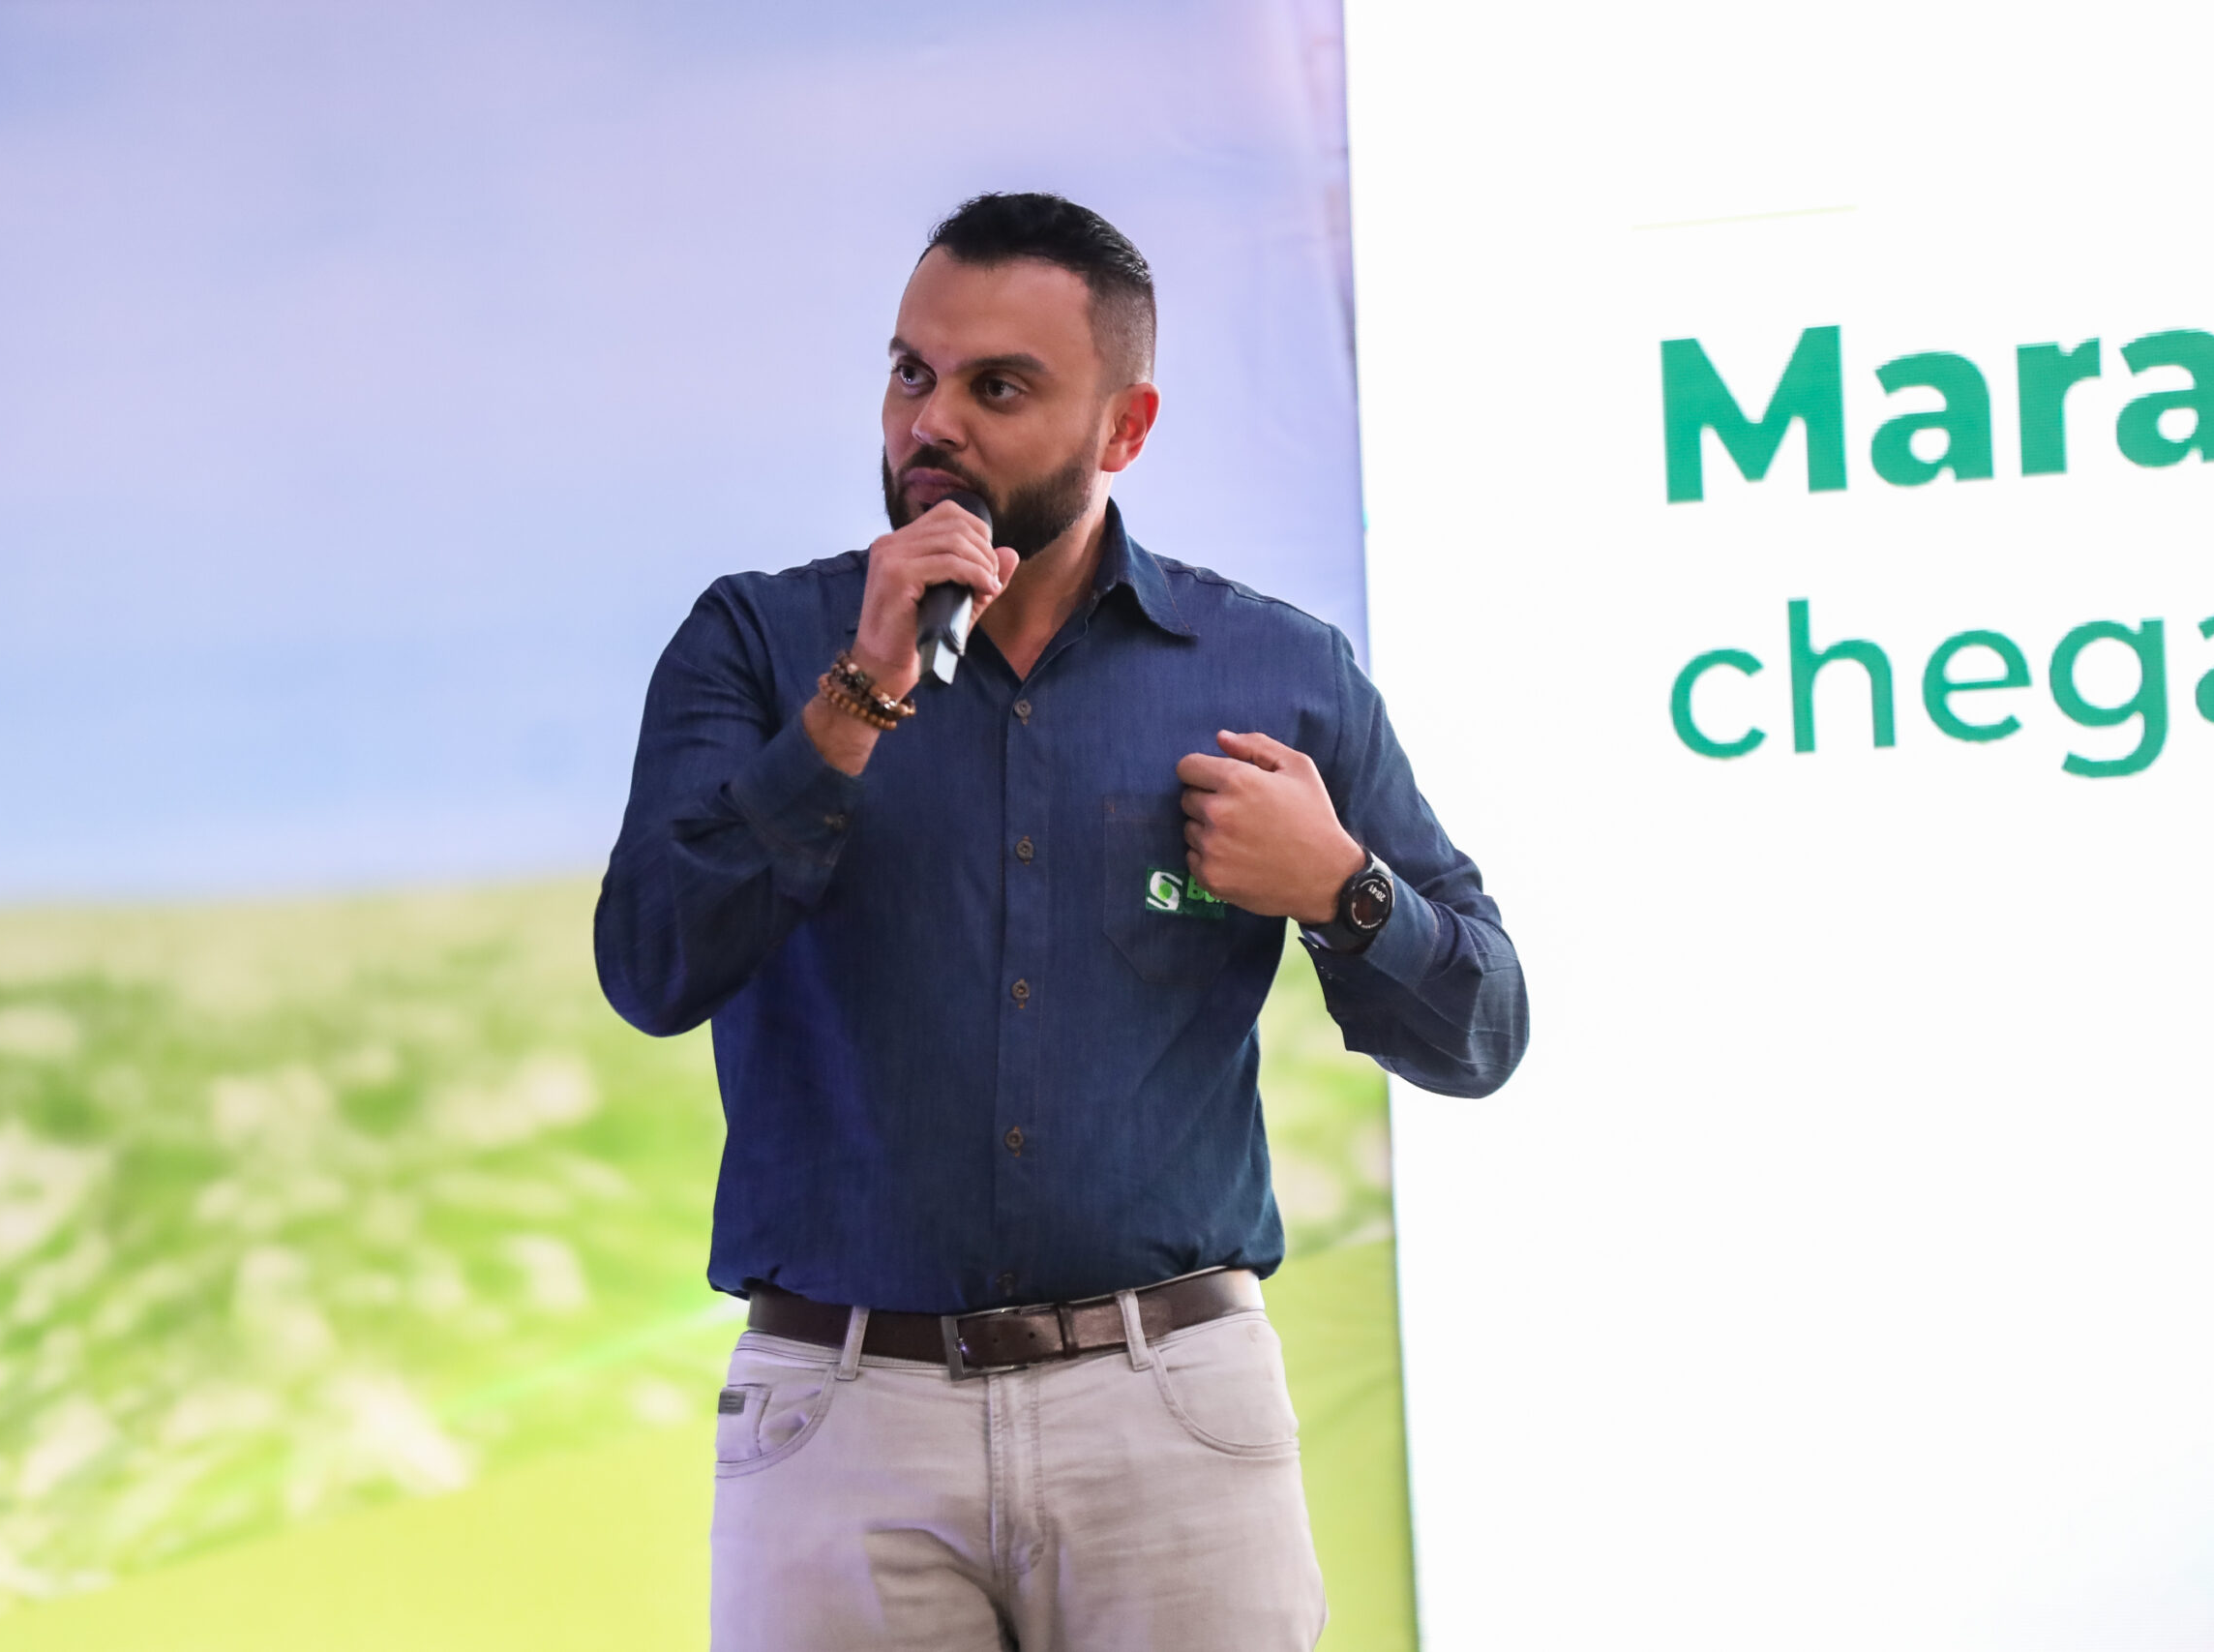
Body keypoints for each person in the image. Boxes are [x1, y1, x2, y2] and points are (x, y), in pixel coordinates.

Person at [596, 192, 1527, 1651]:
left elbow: (1482, 1033)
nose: (931, 424)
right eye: (912, 372)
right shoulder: (761, 647)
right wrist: (853, 706)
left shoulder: (1275, 672)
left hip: (1171, 1412)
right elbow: (653, 969)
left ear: (1125, 427)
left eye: (998, 388)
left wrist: (1343, 890)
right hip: (842, 1418)